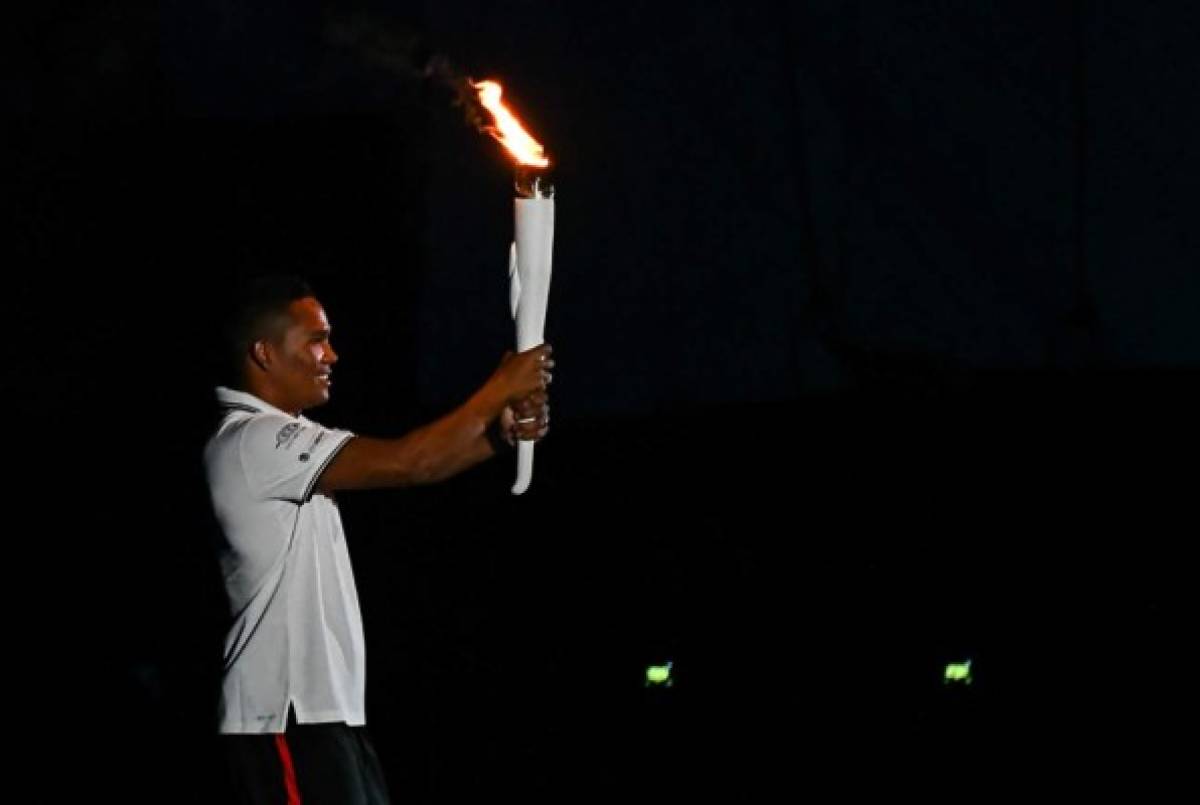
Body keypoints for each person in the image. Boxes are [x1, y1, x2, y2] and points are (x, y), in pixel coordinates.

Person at [203, 275, 552, 804]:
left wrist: (498, 436)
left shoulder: (277, 441)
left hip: (324, 717)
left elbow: (427, 464)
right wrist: (498, 388)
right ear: (264, 353)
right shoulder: (251, 440)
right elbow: (411, 461)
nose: (332, 355)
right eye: (316, 340)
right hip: (280, 717)